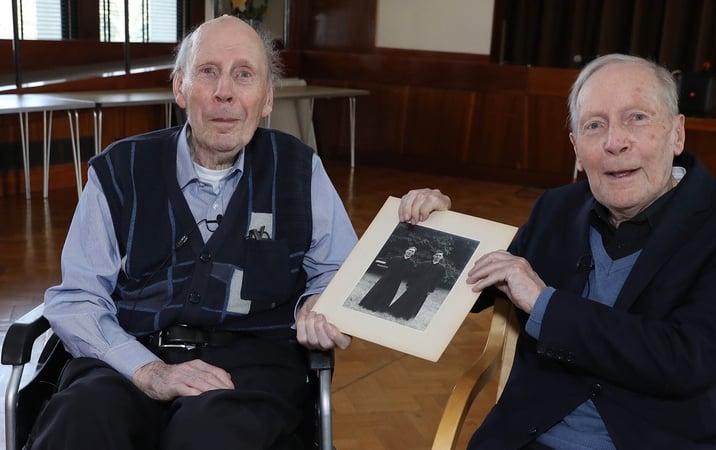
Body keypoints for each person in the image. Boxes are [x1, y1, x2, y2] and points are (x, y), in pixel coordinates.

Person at [398, 54, 716, 449]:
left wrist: (543, 304)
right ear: (575, 147)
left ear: (677, 133)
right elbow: (476, 282)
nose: (614, 142)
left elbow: (686, 360)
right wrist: (439, 231)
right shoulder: (556, 209)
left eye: (636, 118)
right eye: (594, 125)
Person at [30, 16, 357, 450]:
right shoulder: (120, 170)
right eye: (208, 72)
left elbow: (340, 272)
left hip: (252, 365)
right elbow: (78, 298)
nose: (225, 91)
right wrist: (148, 371)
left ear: (267, 98)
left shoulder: (298, 170)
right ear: (180, 88)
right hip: (129, 353)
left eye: (244, 75)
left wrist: (320, 304)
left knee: (208, 436)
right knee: (80, 423)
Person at [387, 250, 446, 320]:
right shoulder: (424, 263)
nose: (438, 257)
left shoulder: (441, 268)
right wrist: (409, 284)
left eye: (440, 256)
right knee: (406, 298)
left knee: (417, 302)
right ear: (434, 256)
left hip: (426, 288)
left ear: (441, 257)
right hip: (415, 285)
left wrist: (431, 290)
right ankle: (395, 312)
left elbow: (437, 280)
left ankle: (408, 316)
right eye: (437, 255)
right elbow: (414, 274)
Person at [358, 246, 417, 313]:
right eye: (410, 250)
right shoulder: (396, 258)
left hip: (396, 281)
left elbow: (409, 274)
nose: (410, 252)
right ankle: (368, 304)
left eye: (412, 252)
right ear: (406, 250)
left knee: (388, 294)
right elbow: (387, 266)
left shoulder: (411, 263)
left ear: (413, 254)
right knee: (378, 290)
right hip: (386, 278)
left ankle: (379, 309)